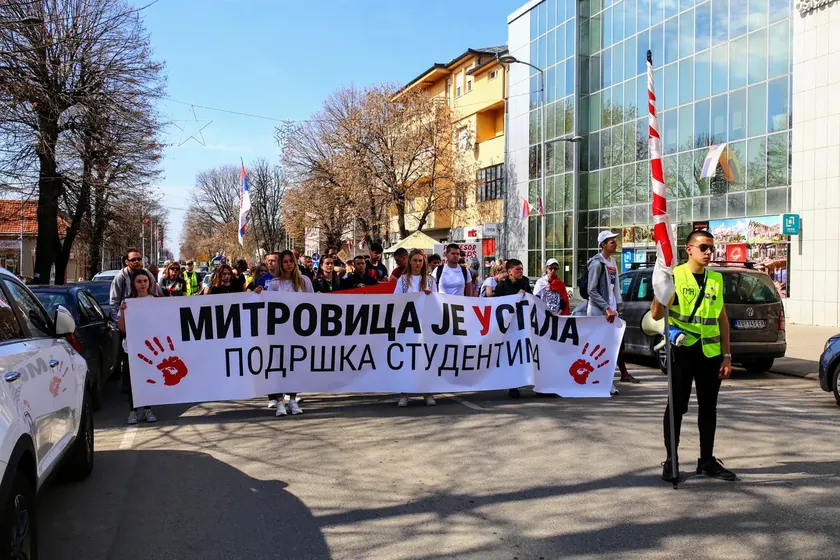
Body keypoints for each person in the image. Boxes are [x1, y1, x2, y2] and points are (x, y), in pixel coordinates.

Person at [651, 229, 736, 483]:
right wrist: (661, 288)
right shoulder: (675, 276)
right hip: (682, 351)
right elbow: (656, 315)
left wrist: (727, 355)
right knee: (677, 407)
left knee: (709, 408)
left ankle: (707, 461)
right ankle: (671, 460)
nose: (709, 252)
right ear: (689, 249)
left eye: (711, 248)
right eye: (703, 248)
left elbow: (722, 319)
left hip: (709, 354)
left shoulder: (716, 280)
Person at [254, 250, 312, 416]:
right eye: (285, 261)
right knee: (278, 367)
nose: (288, 264)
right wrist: (259, 294)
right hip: (279, 332)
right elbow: (267, 305)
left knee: (295, 366)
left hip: (299, 331)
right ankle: (280, 402)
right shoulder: (274, 283)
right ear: (281, 264)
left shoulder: (304, 282)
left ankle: (293, 400)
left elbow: (313, 303)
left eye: (290, 261)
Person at [586, 231, 635, 392]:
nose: (615, 243)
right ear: (603, 245)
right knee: (598, 348)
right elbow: (591, 290)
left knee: (611, 348)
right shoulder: (596, 263)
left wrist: (618, 304)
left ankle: (605, 381)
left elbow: (615, 286)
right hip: (598, 312)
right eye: (611, 241)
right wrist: (606, 308)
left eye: (615, 240)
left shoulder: (612, 261)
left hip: (611, 311)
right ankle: (597, 381)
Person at [393, 249, 437, 407]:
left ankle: (427, 391)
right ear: (409, 262)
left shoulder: (431, 280)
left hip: (424, 324)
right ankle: (404, 393)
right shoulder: (403, 280)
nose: (418, 263)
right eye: (415, 260)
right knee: (406, 358)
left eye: (420, 260)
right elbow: (396, 299)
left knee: (424, 358)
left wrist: (429, 295)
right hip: (408, 324)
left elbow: (437, 301)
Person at [117, 270, 159, 425]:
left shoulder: (156, 301)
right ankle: (133, 411)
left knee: (149, 379)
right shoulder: (128, 303)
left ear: (149, 283)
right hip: (132, 348)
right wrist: (122, 313)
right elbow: (122, 328)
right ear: (134, 284)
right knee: (132, 380)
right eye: (139, 281)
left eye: (145, 281)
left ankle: (148, 409)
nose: (142, 284)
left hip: (152, 349)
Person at [109, 248, 161, 318]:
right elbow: (114, 302)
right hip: (128, 318)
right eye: (133, 260)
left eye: (139, 259)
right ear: (126, 262)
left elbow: (155, 296)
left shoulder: (148, 274)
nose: (137, 261)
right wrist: (119, 321)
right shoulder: (120, 277)